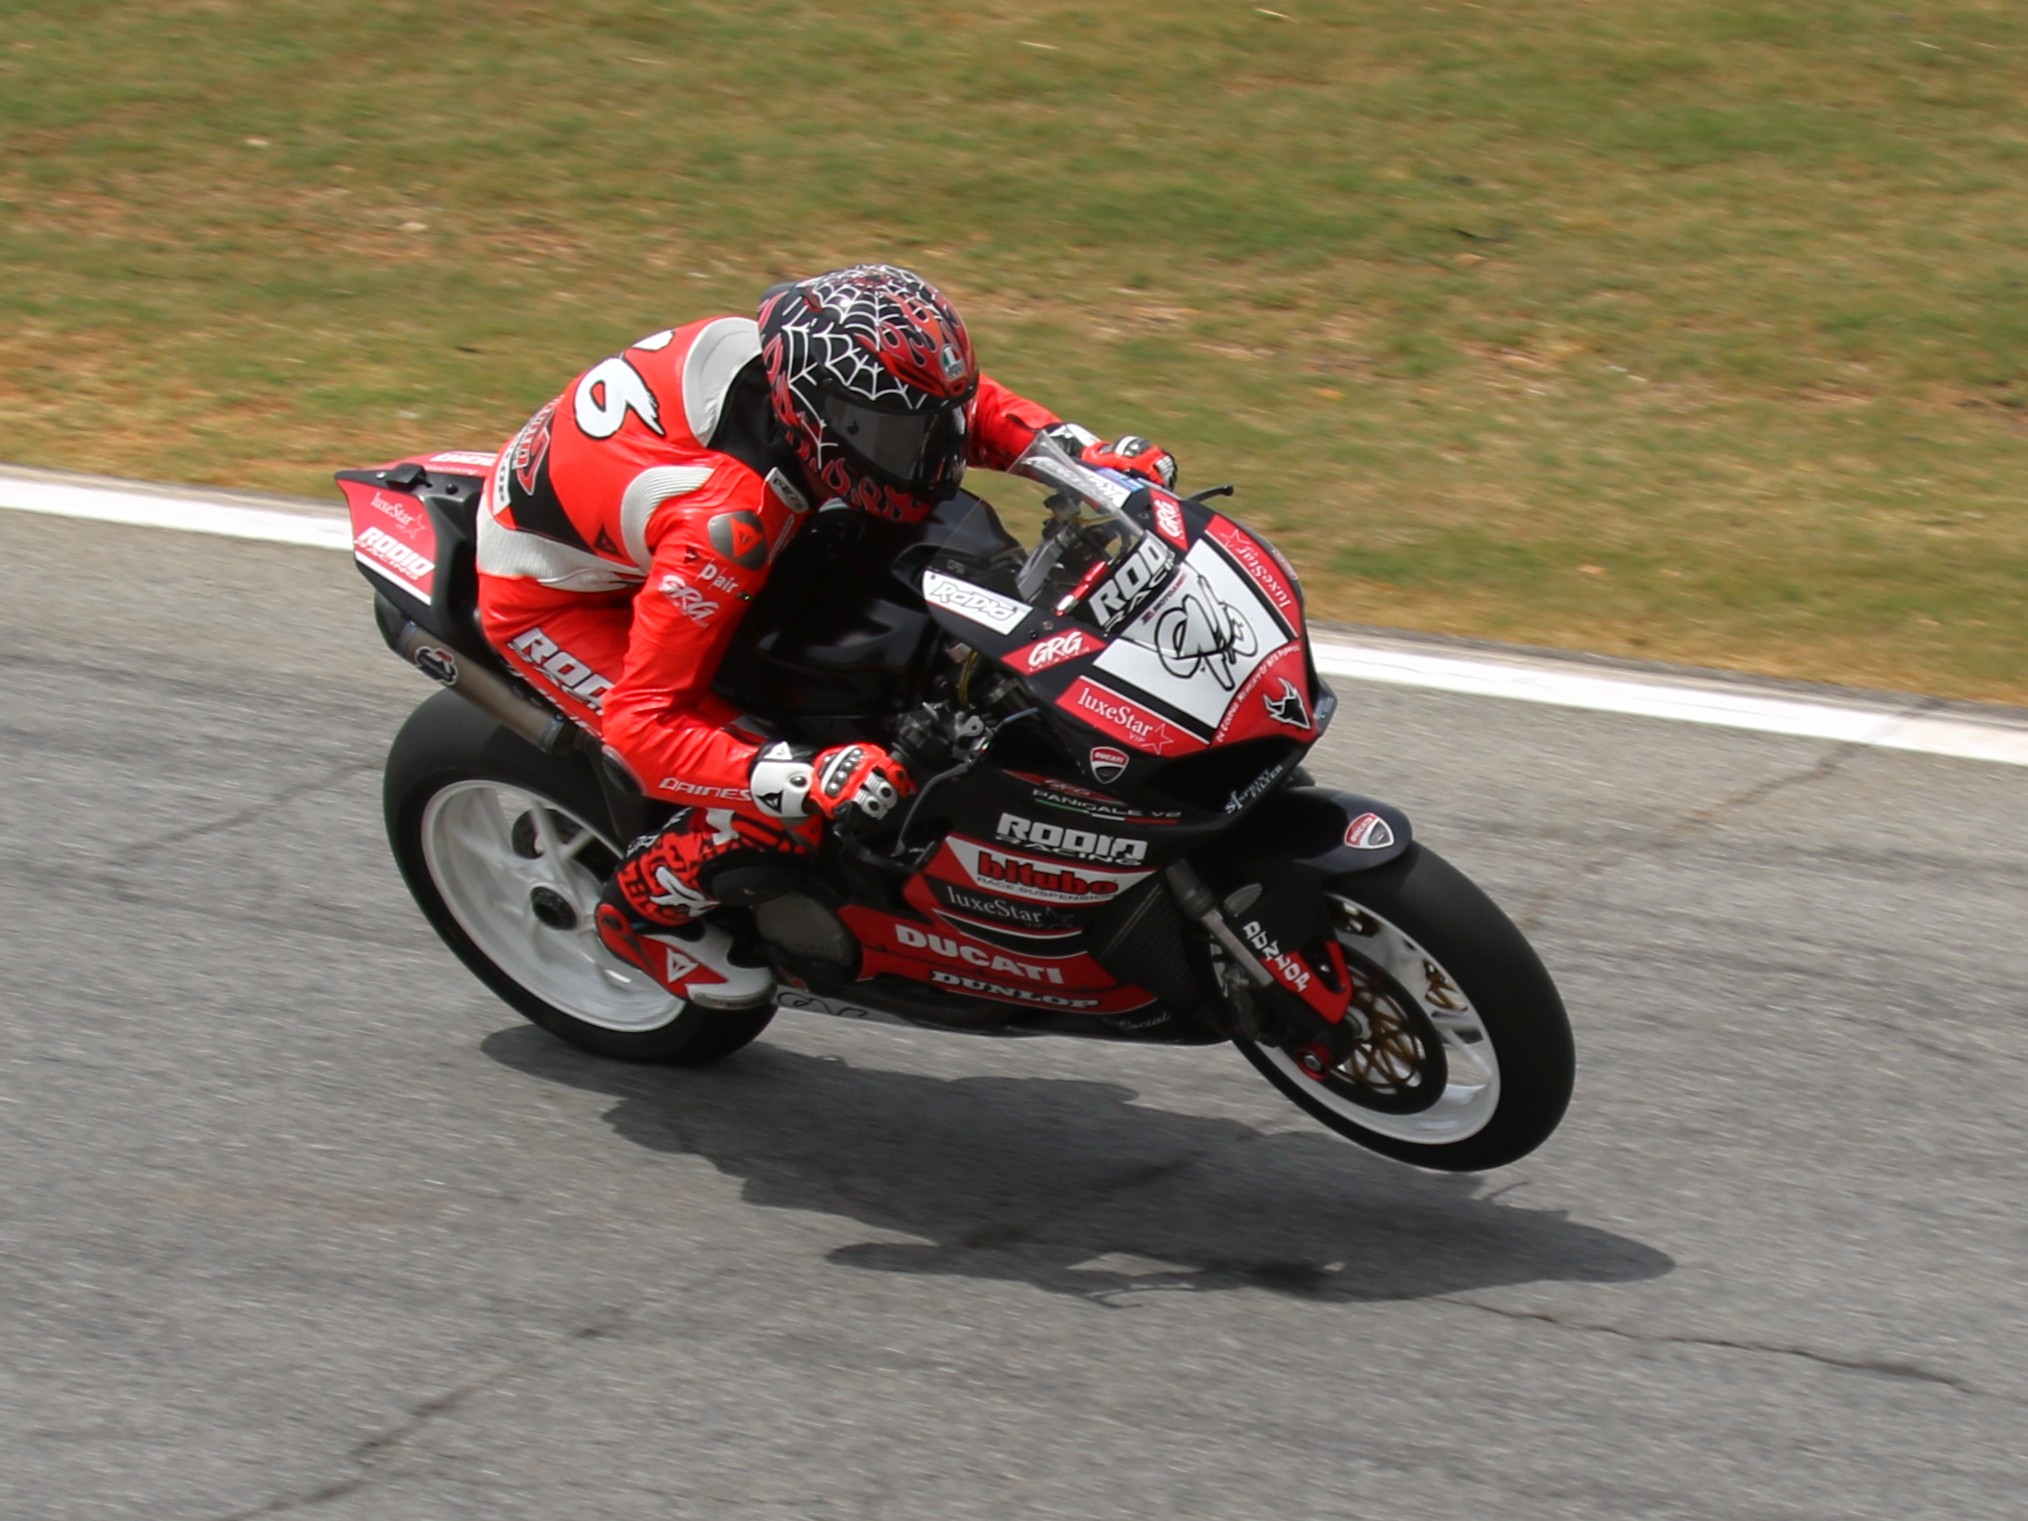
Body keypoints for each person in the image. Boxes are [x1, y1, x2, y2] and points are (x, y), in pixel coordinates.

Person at [475, 264, 1177, 1011]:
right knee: (777, 797)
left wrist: (1079, 456)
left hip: (643, 506)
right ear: (818, 421)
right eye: (898, 437)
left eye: (926, 426)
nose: (931, 454)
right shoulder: (726, 526)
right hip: (558, 601)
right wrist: (811, 776)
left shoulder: (827, 386)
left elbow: (951, 409)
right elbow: (643, 727)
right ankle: (642, 912)